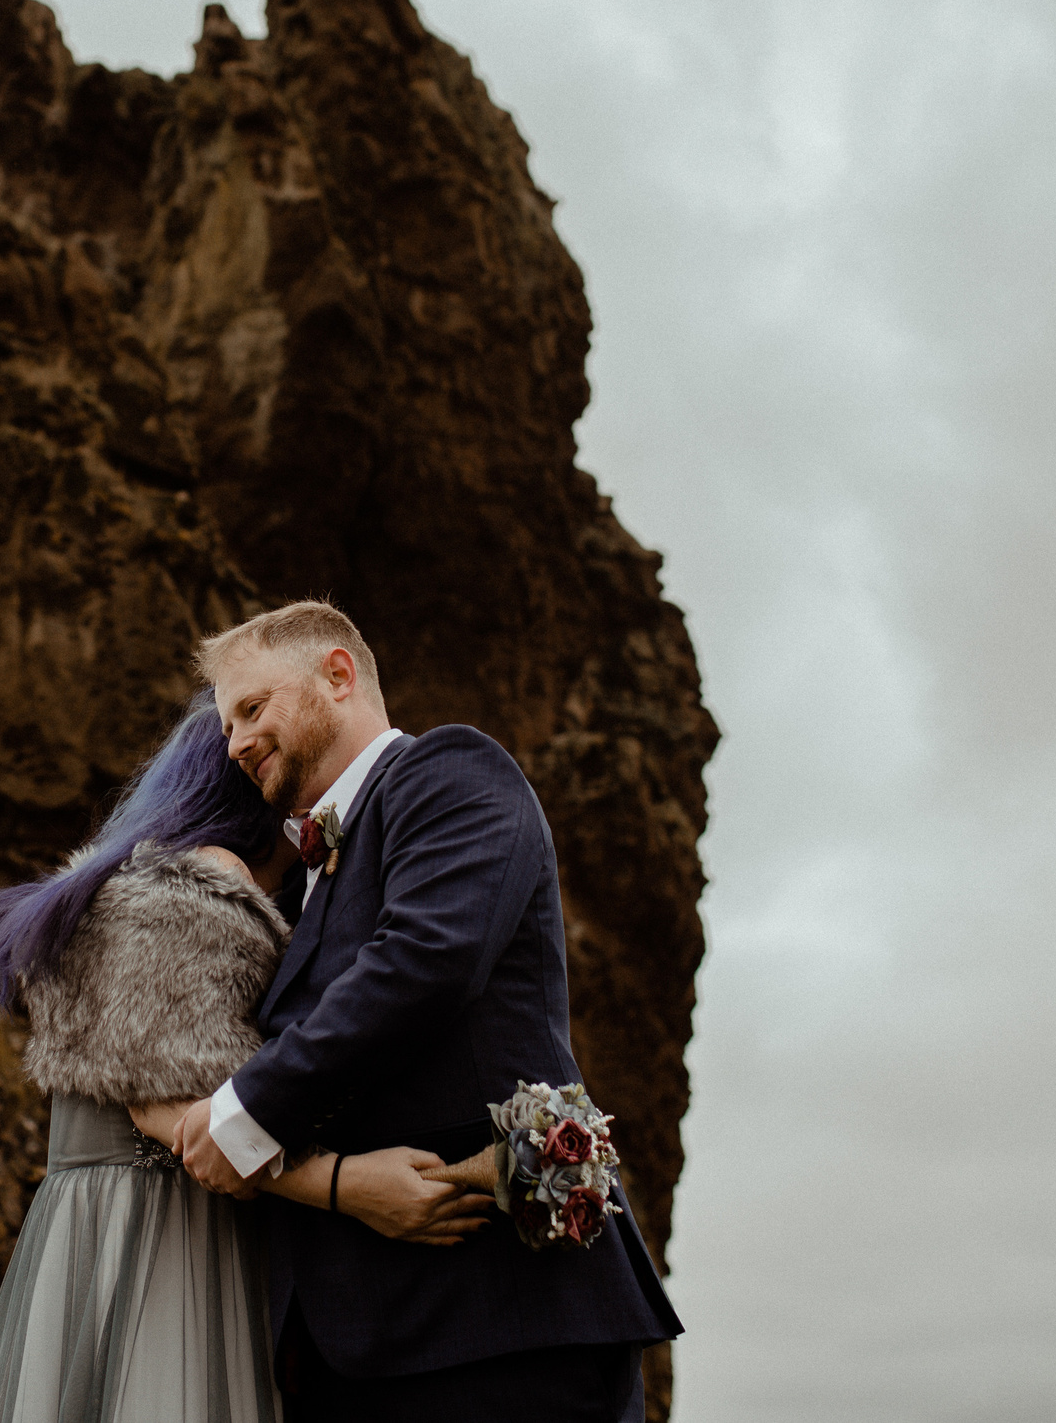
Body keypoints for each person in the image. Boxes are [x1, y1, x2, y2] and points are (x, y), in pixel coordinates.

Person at [175, 600, 683, 1422]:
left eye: (253, 707)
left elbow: (425, 960)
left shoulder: (449, 771)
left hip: (498, 1324)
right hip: (355, 1344)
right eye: (228, 723)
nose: (234, 741)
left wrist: (243, 1115)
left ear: (338, 675)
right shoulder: (304, 880)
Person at [0, 690, 492, 1423]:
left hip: (107, 1228)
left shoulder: (135, 890)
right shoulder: (197, 890)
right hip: (161, 1230)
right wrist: (352, 1185)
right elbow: (165, 1107)